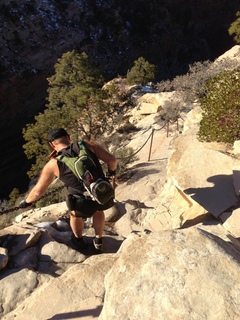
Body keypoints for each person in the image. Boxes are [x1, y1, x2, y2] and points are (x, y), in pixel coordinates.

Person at [20, 128, 117, 253]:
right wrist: (111, 172)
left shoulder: (53, 164)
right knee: (98, 211)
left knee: (74, 215)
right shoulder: (86, 145)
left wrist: (27, 202)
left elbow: (38, 191)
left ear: (52, 145)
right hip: (100, 191)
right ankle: (98, 239)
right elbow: (112, 160)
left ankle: (78, 239)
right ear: (68, 137)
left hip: (81, 201)